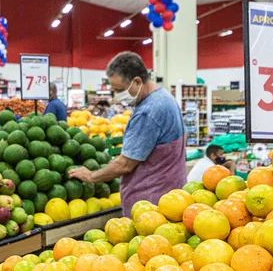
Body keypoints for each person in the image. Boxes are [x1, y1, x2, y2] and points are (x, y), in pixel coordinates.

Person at [68, 52, 186, 216]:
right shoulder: (166, 97)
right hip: (170, 195)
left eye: (119, 90)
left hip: (149, 204)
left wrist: (91, 176)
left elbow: (125, 164)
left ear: (137, 81)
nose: (117, 97)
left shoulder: (147, 112)